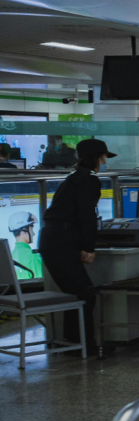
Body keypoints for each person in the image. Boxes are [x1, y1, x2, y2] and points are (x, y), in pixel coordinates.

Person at [38, 139, 115, 356]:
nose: (104, 162)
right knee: (84, 294)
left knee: (77, 293)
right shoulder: (89, 181)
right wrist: (88, 247)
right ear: (97, 158)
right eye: (104, 158)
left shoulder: (73, 178)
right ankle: (83, 345)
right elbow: (86, 215)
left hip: (53, 238)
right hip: (62, 241)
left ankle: (74, 342)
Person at [8, 212, 42, 279]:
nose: (33, 233)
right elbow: (41, 284)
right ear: (24, 230)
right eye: (31, 229)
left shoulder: (11, 256)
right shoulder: (32, 256)